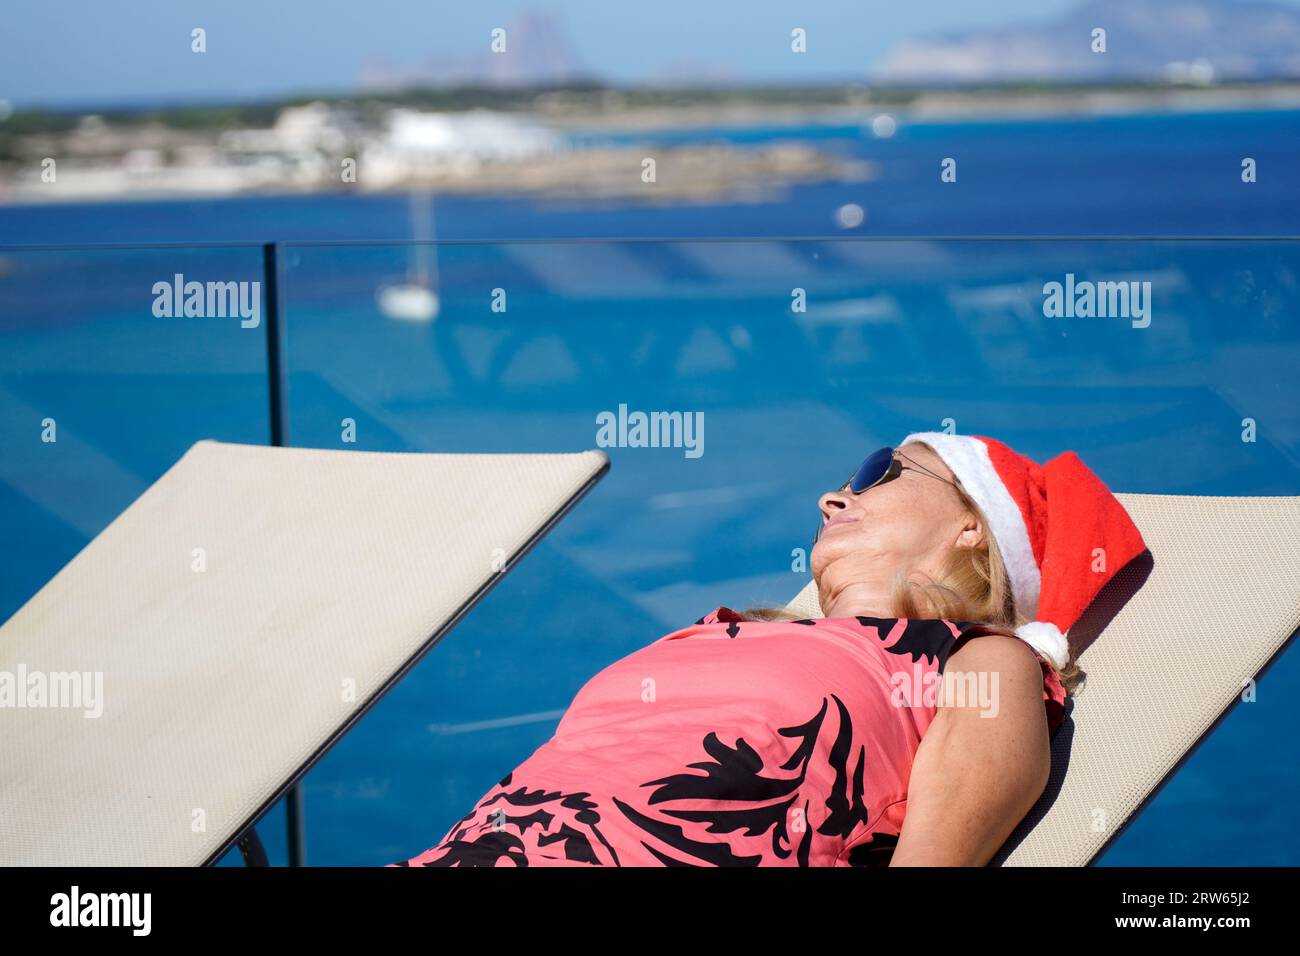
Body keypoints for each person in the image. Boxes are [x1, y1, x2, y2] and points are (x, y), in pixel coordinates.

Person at [390, 432, 1147, 867]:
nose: (833, 497)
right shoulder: (725, 629)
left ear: (973, 524)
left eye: (879, 471)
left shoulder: (971, 658)